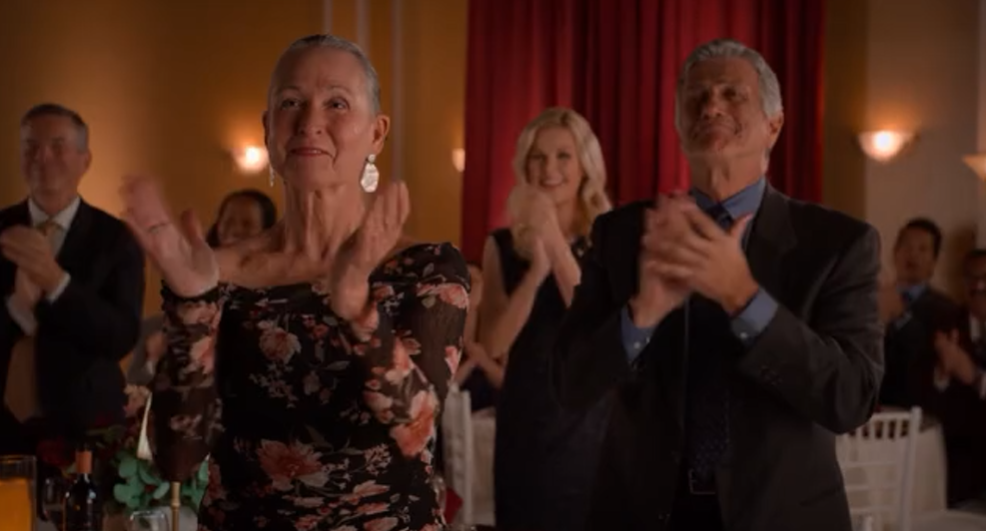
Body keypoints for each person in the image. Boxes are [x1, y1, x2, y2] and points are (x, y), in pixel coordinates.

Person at [120, 34, 469, 530]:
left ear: (376, 134)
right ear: (268, 130)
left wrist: (357, 308)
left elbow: (416, 430)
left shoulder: (425, 268)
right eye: (290, 102)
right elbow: (175, 459)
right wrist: (192, 302)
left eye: (336, 103)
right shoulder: (217, 271)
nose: (309, 122)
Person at [552, 39, 883, 531]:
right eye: (696, 97)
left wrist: (744, 298)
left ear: (774, 125)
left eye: (732, 94)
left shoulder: (838, 244)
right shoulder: (621, 235)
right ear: (678, 126)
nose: (710, 106)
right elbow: (570, 385)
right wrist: (641, 314)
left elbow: (851, 398)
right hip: (641, 515)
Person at [481, 107, 612, 531]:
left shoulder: (610, 240)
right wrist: (536, 273)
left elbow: (593, 318)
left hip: (589, 420)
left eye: (563, 156)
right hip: (526, 418)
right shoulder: (500, 245)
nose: (549, 168)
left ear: (584, 166)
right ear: (525, 166)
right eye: (538, 157)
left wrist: (553, 240)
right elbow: (493, 344)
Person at [0, 103, 144, 482]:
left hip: (86, 426)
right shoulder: (2, 229)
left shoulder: (116, 239)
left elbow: (121, 336)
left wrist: (56, 283)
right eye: (31, 147)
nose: (42, 158)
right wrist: (16, 308)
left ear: (85, 160)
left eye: (57, 146)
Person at [127, 189, 278, 385]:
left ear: (266, 234)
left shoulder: (275, 313)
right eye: (228, 221)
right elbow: (134, 385)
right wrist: (154, 361)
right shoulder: (161, 325)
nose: (234, 230)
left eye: (247, 224)